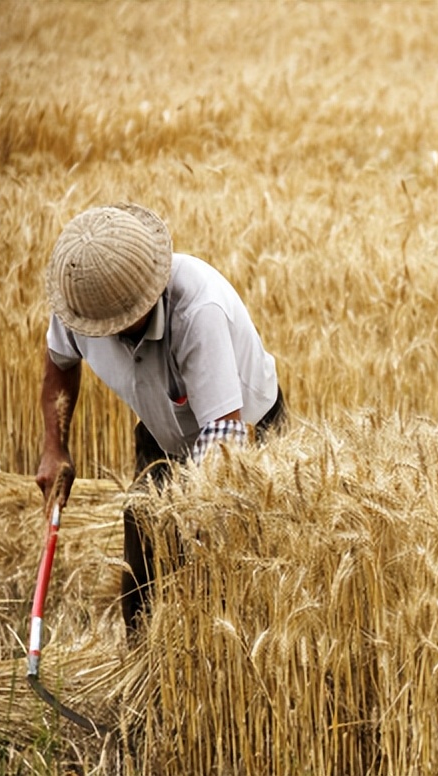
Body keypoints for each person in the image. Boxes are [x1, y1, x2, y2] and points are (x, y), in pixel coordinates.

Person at [35, 203, 285, 639]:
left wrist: (195, 529)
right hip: (162, 426)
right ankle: (144, 667)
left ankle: (225, 674)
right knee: (143, 561)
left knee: (229, 570)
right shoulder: (82, 300)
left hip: (244, 434)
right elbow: (59, 363)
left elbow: (224, 440)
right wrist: (54, 447)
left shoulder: (197, 310)